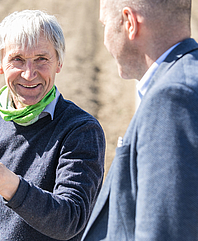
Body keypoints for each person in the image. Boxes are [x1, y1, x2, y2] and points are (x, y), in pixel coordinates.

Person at [0, 10, 105, 241]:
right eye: (17, 59)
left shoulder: (80, 130)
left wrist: (6, 183)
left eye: (41, 59)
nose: (29, 74)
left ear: (59, 62)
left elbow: (70, 220)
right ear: (0, 64)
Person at [82, 0, 198, 240]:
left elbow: (165, 232)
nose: (104, 38)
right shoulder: (187, 80)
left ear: (130, 23)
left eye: (105, 24)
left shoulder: (172, 99)